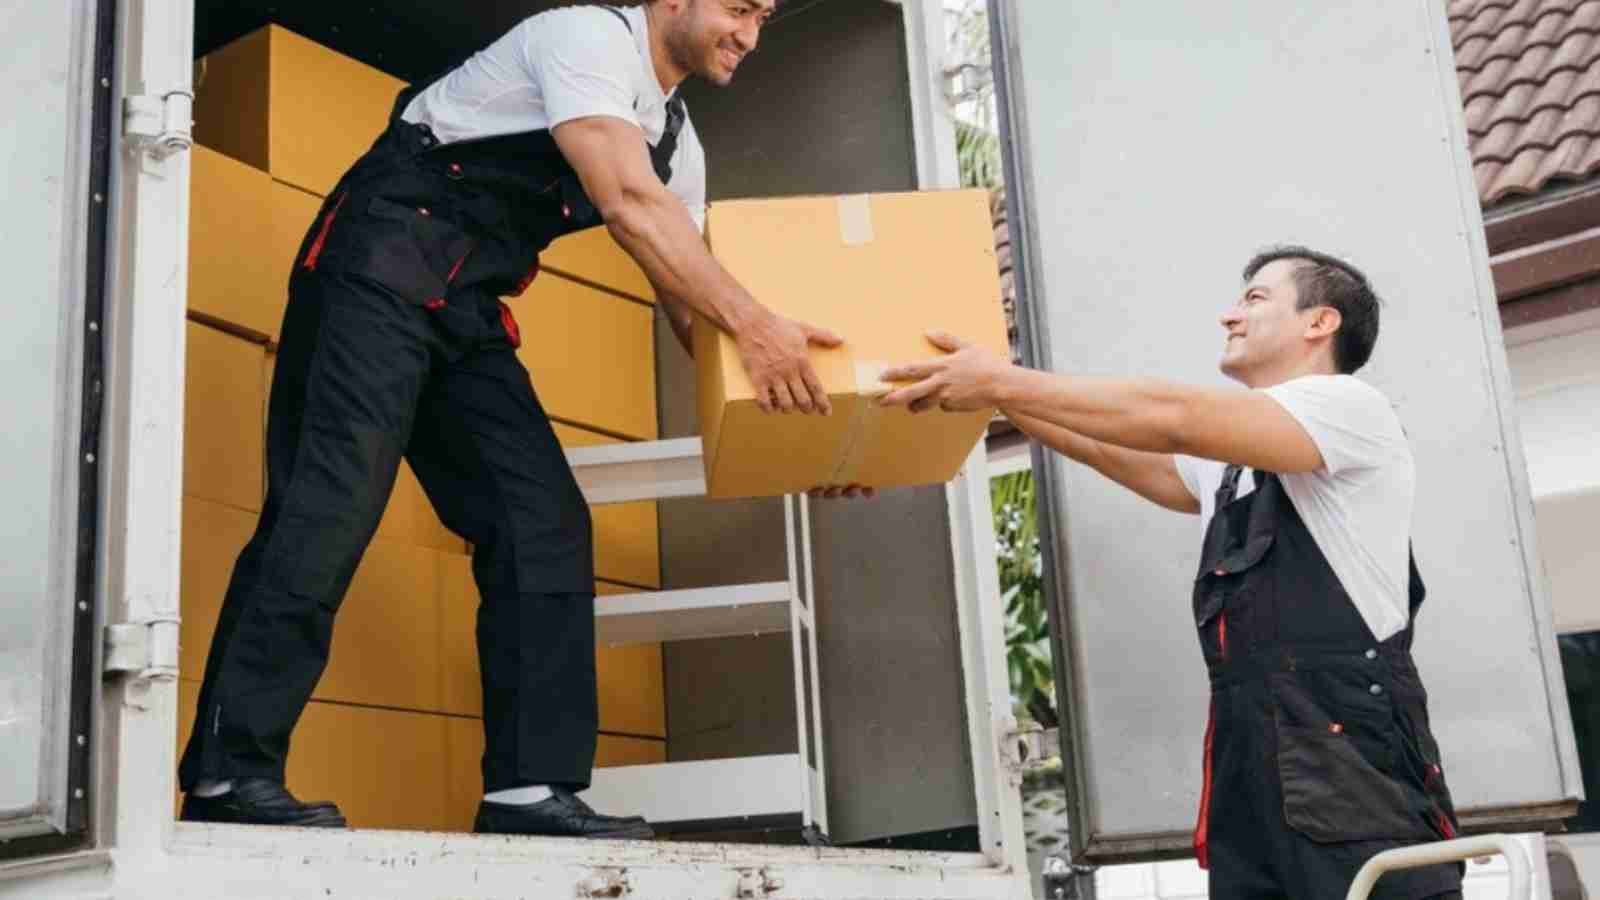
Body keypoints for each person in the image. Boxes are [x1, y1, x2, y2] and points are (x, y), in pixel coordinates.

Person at [178, 0, 857, 839]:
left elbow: (691, 309)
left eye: (763, 19)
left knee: (542, 520)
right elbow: (626, 203)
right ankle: (228, 774)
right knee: (330, 504)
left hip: (463, 308)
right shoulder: (585, 38)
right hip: (372, 272)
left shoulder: (680, 145)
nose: (750, 36)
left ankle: (528, 791)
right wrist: (760, 328)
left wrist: (804, 442)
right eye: (739, 8)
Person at [880, 246, 1464, 899]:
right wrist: (1009, 404)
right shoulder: (1240, 460)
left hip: (1351, 761)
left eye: (1255, 299)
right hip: (1255, 762)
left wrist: (1004, 381)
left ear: (1319, 323)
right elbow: (1152, 466)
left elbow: (1171, 418)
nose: (1230, 316)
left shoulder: (1349, 409)